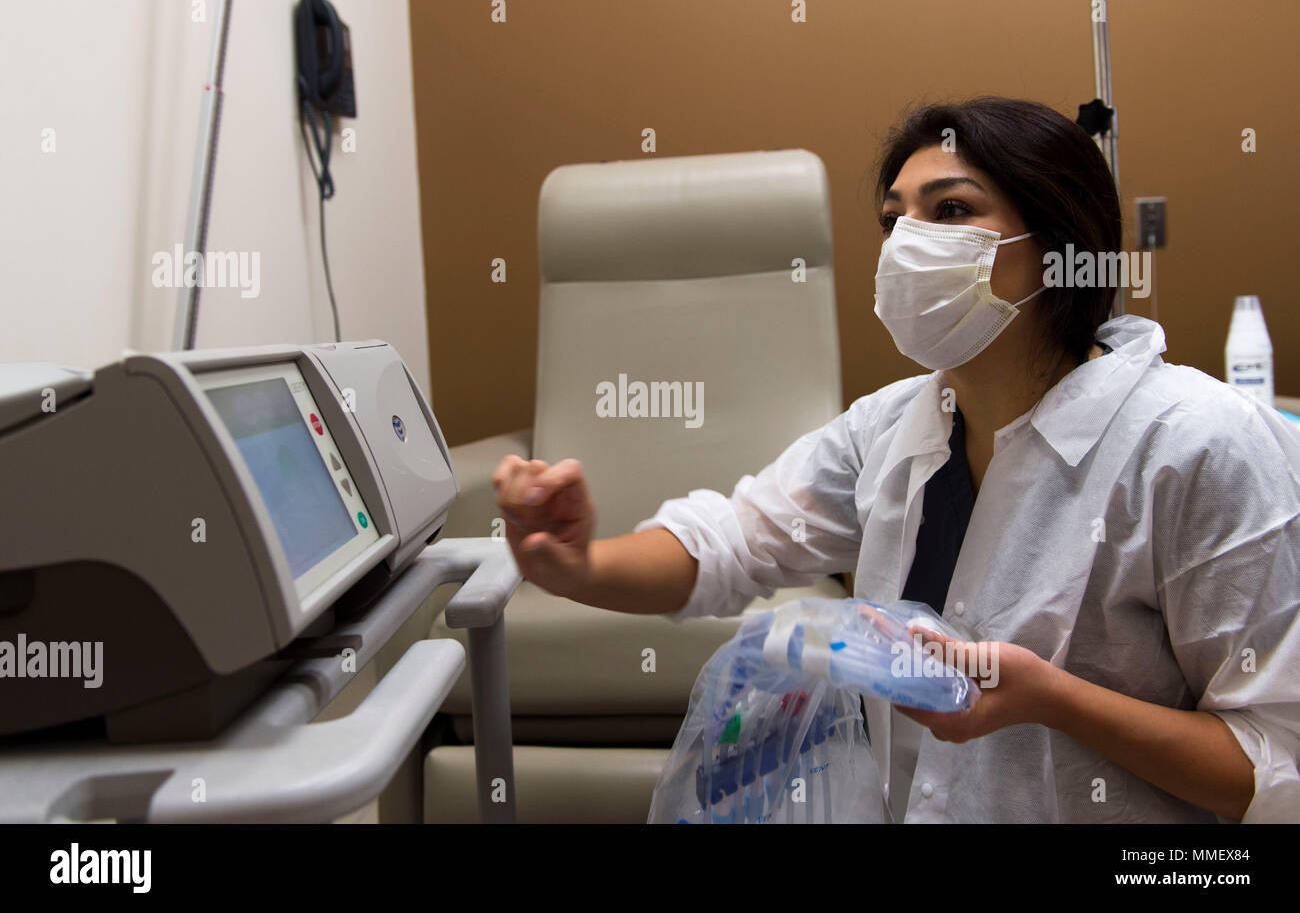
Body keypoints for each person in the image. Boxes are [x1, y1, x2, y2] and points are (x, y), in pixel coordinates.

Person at [493, 97, 1300, 823]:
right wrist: (578, 565)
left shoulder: (1194, 445)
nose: (909, 245)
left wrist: (1053, 701)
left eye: (951, 210)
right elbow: (729, 542)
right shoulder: (890, 429)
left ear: (1058, 246)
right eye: (894, 220)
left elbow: (1272, 767)